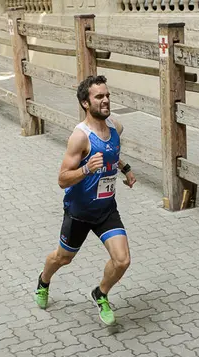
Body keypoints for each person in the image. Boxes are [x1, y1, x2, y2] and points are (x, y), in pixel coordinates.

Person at [35, 75, 137, 326]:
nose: (105, 100)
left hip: (105, 208)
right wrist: (86, 170)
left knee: (122, 260)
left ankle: (100, 293)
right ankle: (43, 280)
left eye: (107, 95)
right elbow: (62, 179)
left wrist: (125, 169)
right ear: (85, 103)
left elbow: (111, 154)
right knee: (62, 258)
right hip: (79, 211)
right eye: (99, 97)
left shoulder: (115, 127)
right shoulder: (80, 137)